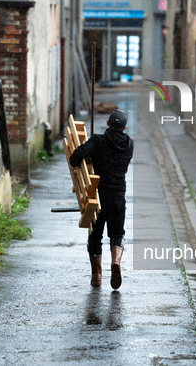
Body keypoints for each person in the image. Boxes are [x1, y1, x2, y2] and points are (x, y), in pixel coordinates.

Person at [70, 109, 134, 290]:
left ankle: (96, 275)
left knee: (95, 236)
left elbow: (75, 157)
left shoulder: (98, 141)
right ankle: (116, 261)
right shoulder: (130, 144)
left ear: (108, 123)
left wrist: (92, 148)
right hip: (118, 196)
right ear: (124, 127)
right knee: (117, 234)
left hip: (98, 196)